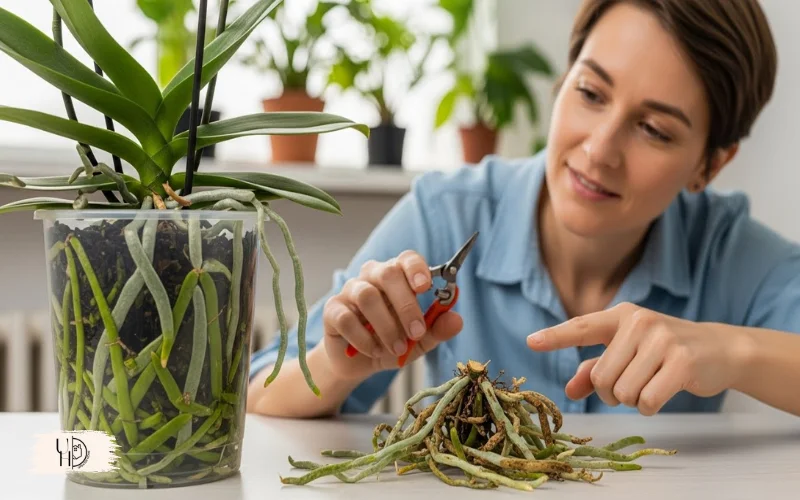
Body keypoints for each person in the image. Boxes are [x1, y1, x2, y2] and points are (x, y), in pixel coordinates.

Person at [247, 0, 800, 419]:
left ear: (711, 164)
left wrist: (735, 350)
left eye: (653, 129)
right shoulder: (447, 212)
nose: (599, 150)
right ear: (563, 81)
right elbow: (254, 393)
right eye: (590, 93)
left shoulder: (730, 253)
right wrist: (335, 366)